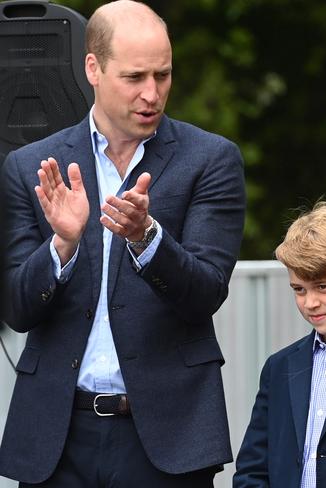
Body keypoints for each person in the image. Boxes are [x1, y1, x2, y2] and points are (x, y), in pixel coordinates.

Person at [0, 1, 245, 486]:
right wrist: (62, 246)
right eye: (134, 77)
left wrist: (147, 239)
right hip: (56, 437)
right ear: (93, 67)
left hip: (165, 437)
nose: (152, 94)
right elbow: (16, 309)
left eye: (163, 75)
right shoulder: (31, 166)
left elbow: (206, 293)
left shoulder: (211, 159)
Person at [233, 202, 326, 488]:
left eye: (323, 287)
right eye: (299, 289)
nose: (310, 302)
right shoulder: (280, 367)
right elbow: (252, 469)